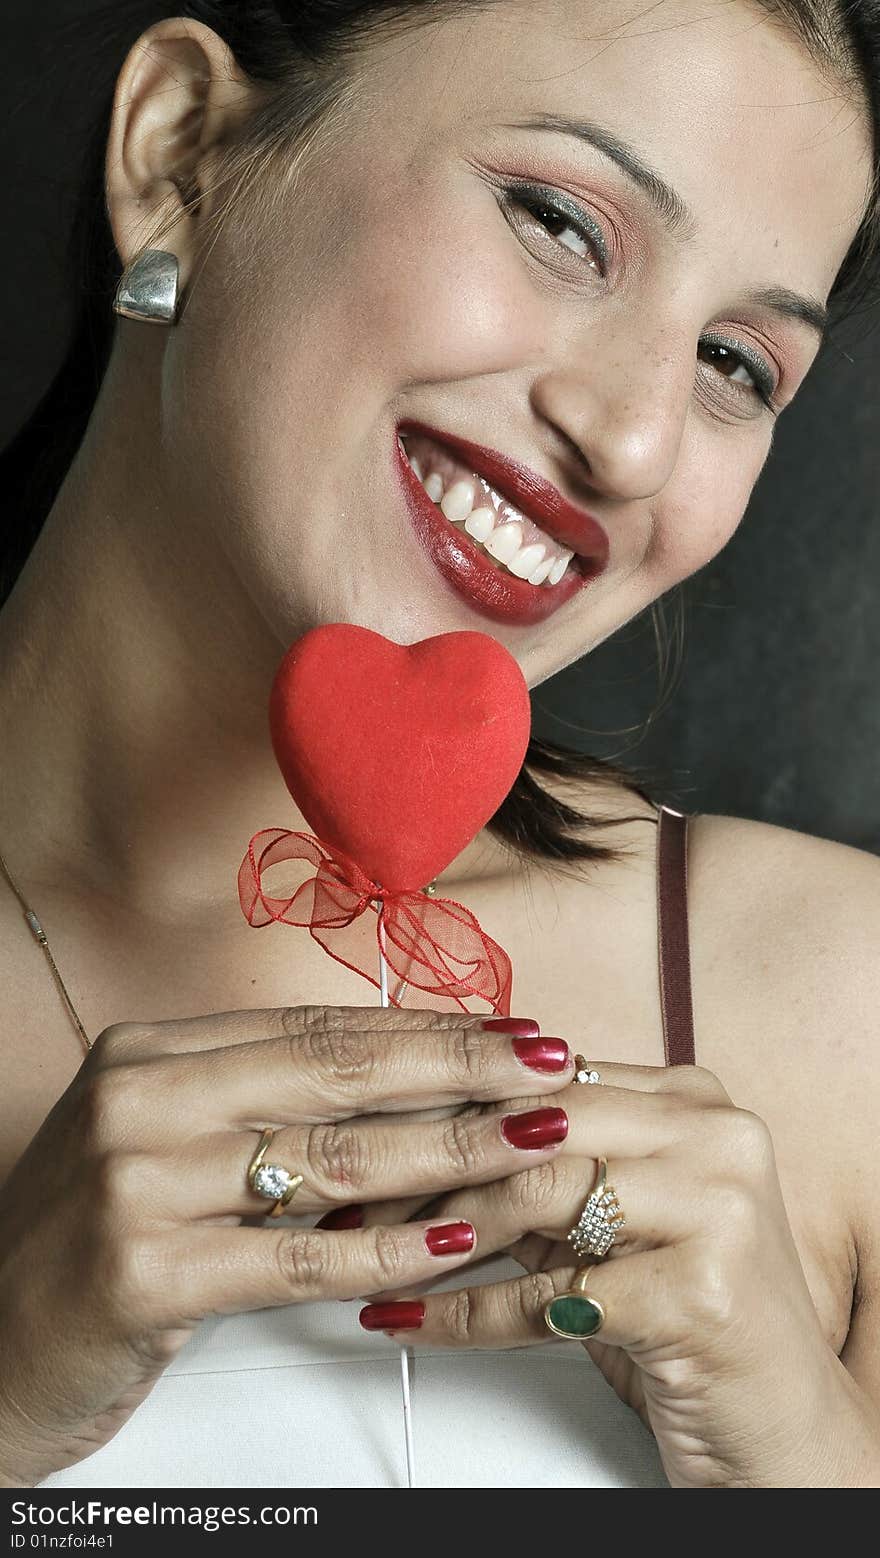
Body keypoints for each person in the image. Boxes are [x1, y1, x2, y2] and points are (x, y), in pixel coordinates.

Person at [1, 0, 879, 1491]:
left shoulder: (847, 1012)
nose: (636, 437)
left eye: (736, 362)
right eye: (559, 222)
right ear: (178, 152)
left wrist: (797, 1471)